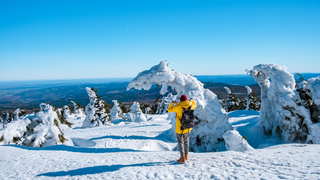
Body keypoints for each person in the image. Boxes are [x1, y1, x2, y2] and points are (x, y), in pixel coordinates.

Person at [168, 95, 197, 164]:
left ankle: (182, 157)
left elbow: (170, 110)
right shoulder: (190, 105)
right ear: (186, 100)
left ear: (180, 100)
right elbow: (194, 105)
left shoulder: (178, 106)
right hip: (187, 128)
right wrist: (191, 101)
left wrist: (172, 103)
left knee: (180, 142)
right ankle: (186, 155)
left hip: (180, 128)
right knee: (186, 141)